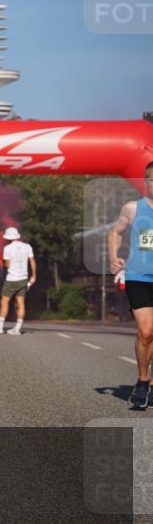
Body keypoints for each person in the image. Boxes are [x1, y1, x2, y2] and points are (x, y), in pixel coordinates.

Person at [109, 163, 153, 408]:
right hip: (139, 276)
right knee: (146, 332)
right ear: (146, 182)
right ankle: (142, 380)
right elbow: (115, 232)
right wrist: (114, 258)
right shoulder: (133, 208)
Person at [0, 227, 36, 335]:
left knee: (4, 301)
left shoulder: (7, 248)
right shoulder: (27, 247)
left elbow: (7, 265)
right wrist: (34, 275)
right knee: (21, 303)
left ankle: (0, 326)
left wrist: (6, 265)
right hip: (23, 278)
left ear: (8, 238)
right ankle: (17, 328)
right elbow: (32, 261)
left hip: (11, 279)